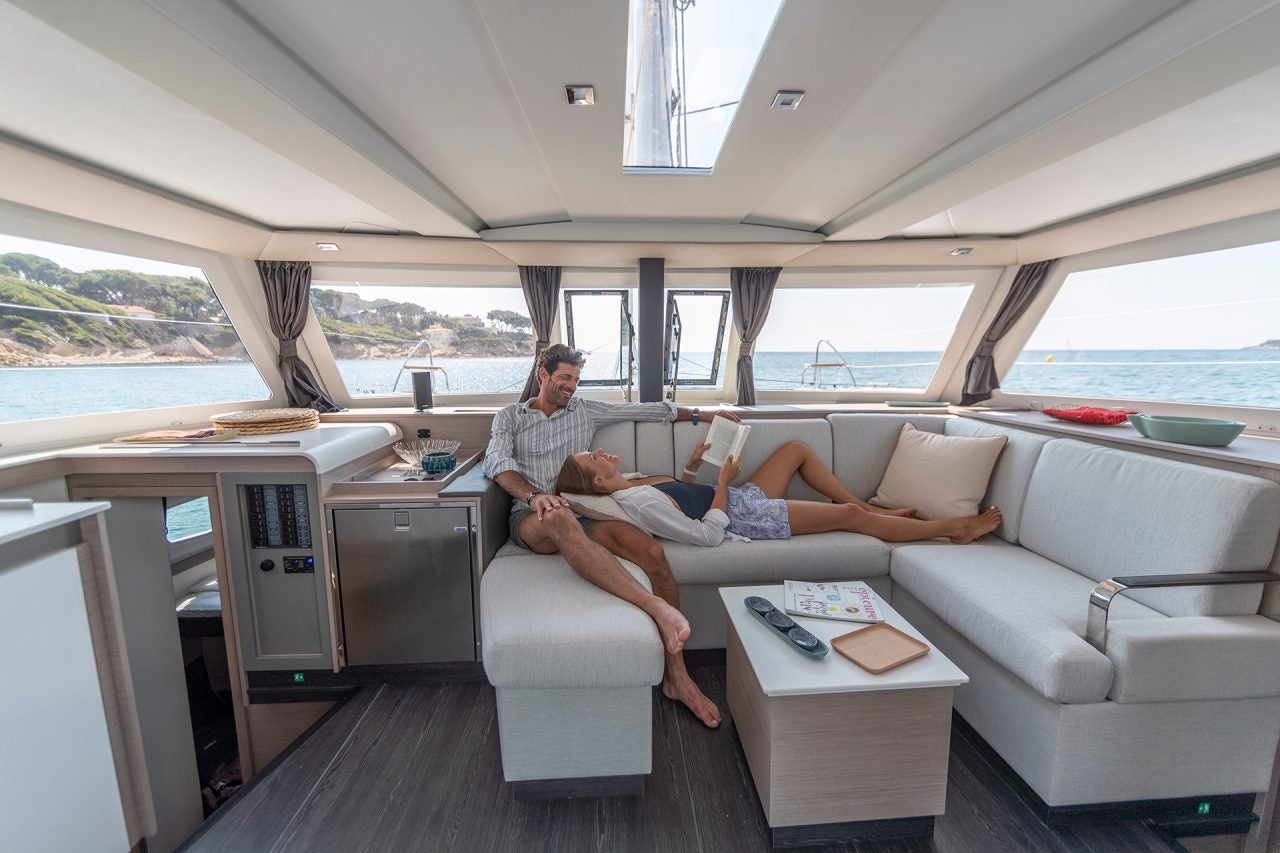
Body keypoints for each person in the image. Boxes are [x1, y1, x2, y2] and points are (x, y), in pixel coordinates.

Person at [483, 343, 739, 728]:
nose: (571, 386)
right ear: (543, 374)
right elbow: (498, 464)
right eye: (564, 378)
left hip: (584, 511)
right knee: (557, 517)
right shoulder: (510, 418)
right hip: (531, 516)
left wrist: (705, 414)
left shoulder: (584, 409)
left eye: (576, 379)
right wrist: (536, 497)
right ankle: (657, 609)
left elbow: (648, 410)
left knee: (650, 552)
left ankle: (677, 677)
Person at [553, 439, 1003, 547]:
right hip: (746, 518)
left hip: (739, 497)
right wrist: (724, 483)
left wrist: (693, 465)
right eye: (593, 457)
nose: (601, 452)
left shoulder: (632, 481)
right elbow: (706, 534)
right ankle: (952, 528)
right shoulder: (636, 503)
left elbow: (682, 495)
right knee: (847, 516)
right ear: (595, 481)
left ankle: (875, 507)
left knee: (795, 450)